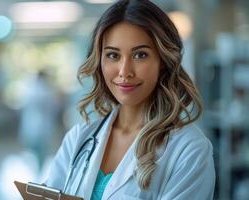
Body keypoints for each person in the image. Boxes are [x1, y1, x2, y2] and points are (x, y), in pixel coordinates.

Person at [44, 0, 215, 199]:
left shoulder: (189, 149)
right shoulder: (78, 139)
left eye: (140, 55)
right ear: (99, 61)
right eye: (113, 55)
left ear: (163, 61)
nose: (125, 72)